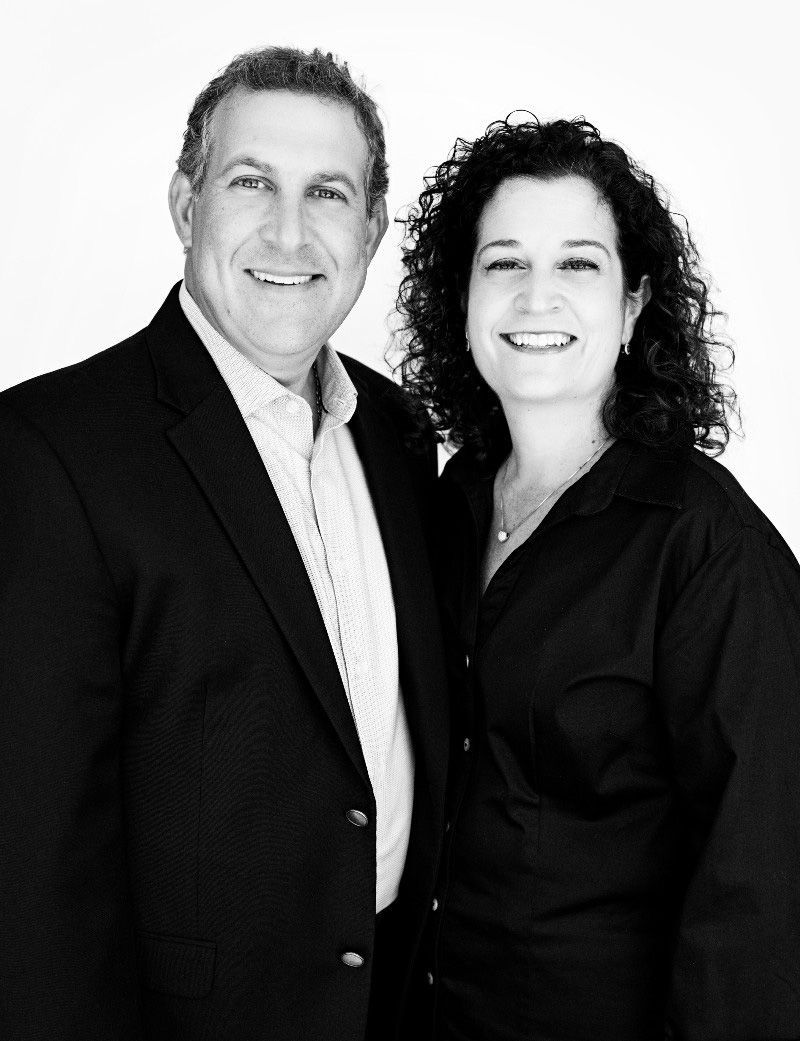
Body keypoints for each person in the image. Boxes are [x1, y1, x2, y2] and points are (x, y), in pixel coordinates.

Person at [0, 46, 448, 1041]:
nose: (289, 231)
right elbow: (32, 870)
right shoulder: (49, 454)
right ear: (183, 202)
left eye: (328, 193)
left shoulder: (397, 432)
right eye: (251, 182)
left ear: (371, 228)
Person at [396, 114, 800, 1040]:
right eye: (504, 263)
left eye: (578, 264)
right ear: (463, 296)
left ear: (631, 305)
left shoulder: (706, 544)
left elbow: (763, 886)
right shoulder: (443, 505)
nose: (537, 297)